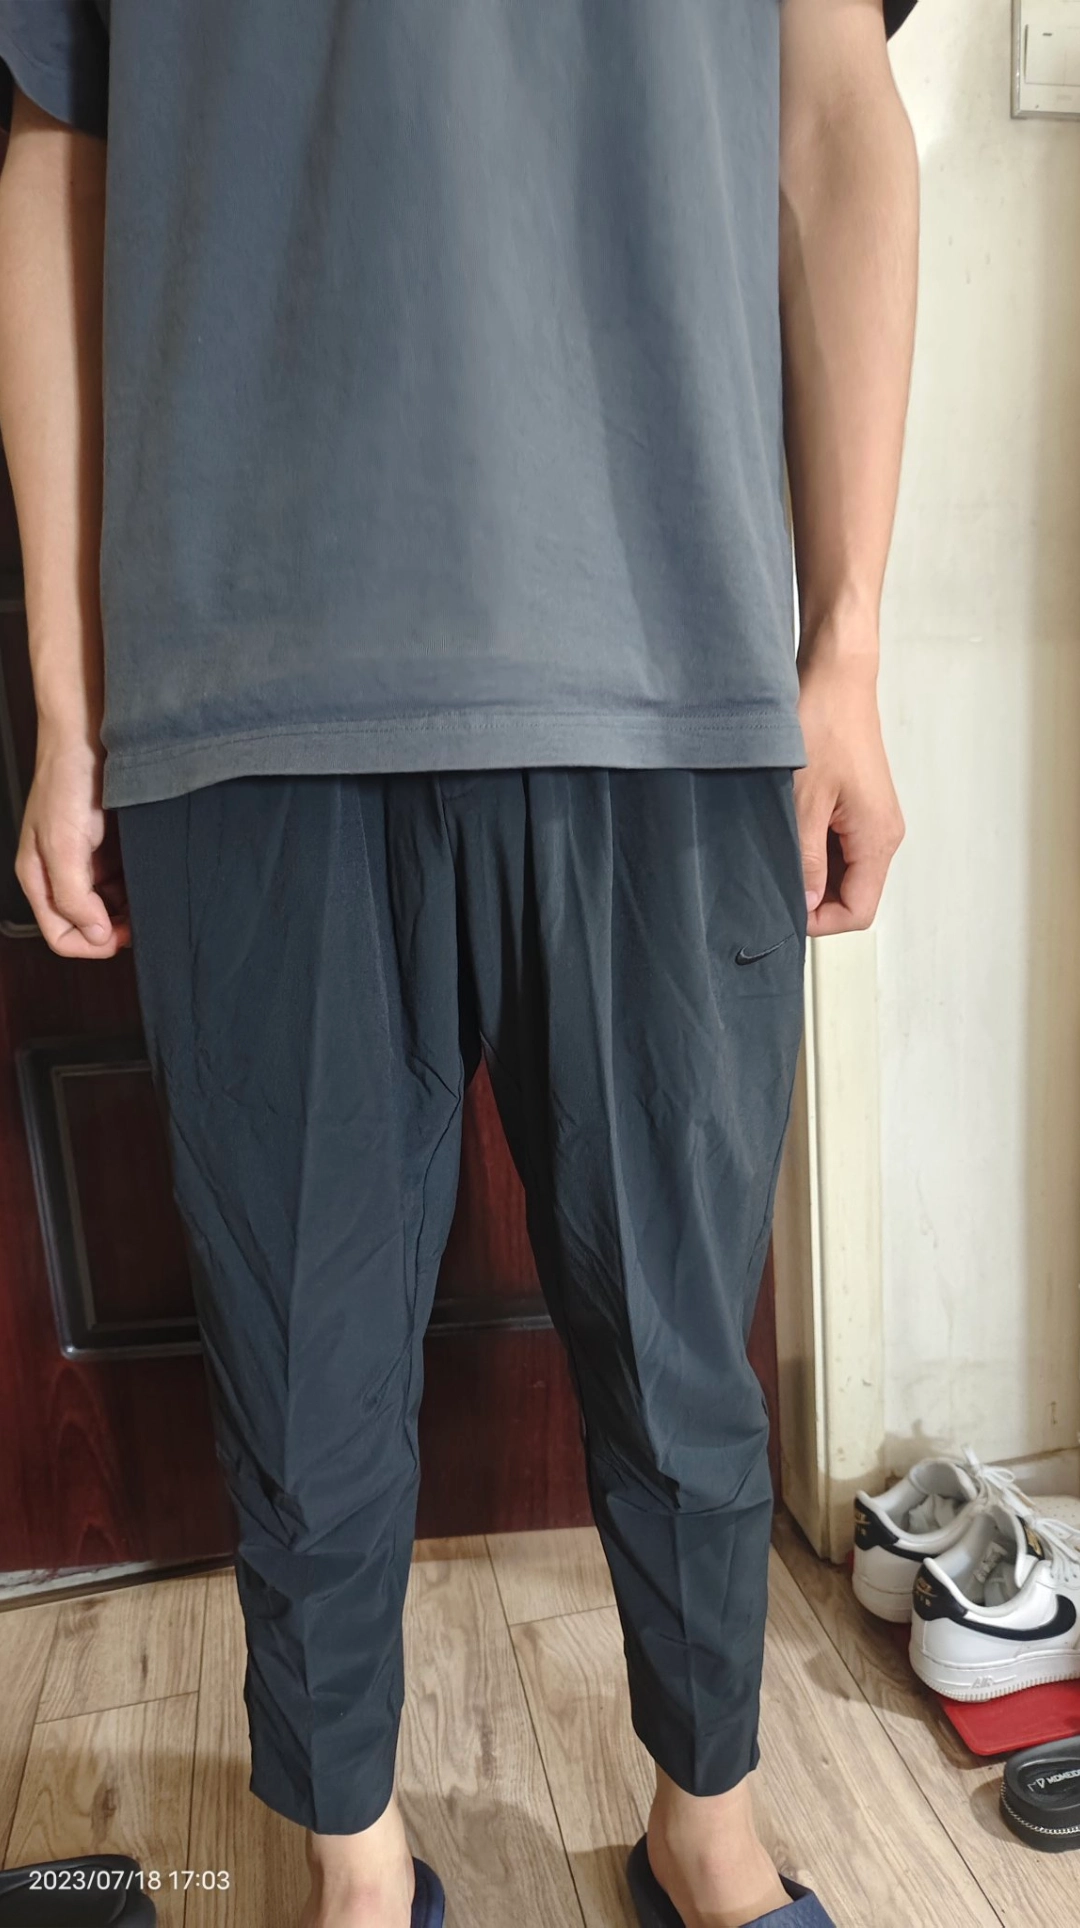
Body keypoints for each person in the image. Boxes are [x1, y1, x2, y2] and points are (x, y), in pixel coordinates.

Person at [0, 2, 919, 1924]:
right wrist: (70, 704)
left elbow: (833, 115)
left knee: (685, 1356)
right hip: (246, 679)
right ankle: (354, 1866)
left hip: (671, 661)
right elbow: (63, 153)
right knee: (300, 1382)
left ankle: (708, 1827)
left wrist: (843, 651)